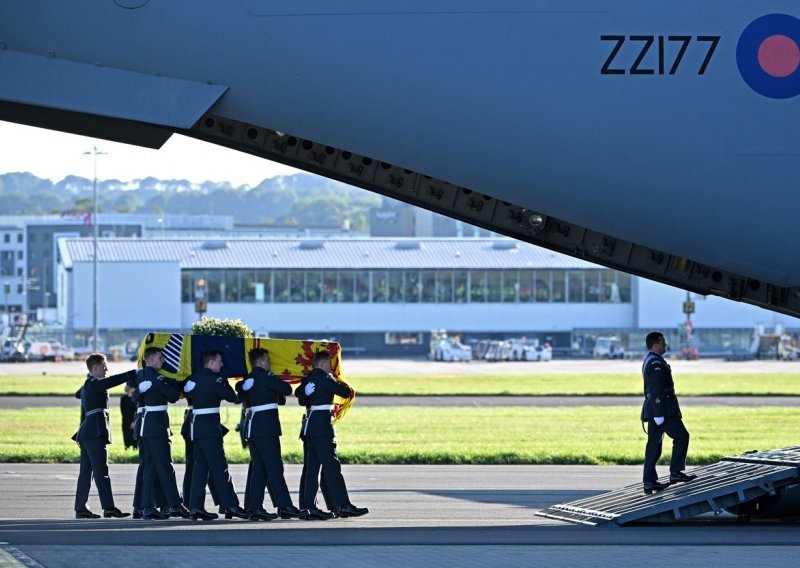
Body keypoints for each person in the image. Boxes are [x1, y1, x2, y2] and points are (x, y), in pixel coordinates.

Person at [296, 350, 368, 519]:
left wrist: (305, 392)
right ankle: (343, 505)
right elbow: (345, 392)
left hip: (310, 428)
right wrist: (336, 379)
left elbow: (300, 397)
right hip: (322, 428)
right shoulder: (325, 378)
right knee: (332, 467)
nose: (331, 367)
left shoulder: (308, 379)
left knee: (312, 470)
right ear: (322, 364)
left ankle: (309, 507)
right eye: (329, 363)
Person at [239, 348, 304, 521]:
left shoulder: (248, 380)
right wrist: (274, 379)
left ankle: (254, 507)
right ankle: (285, 506)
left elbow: (241, 394)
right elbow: (286, 389)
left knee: (259, 468)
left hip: (253, 428)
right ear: (260, 362)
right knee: (274, 467)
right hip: (266, 429)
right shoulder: (265, 377)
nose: (270, 363)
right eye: (267, 360)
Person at [185, 350, 250, 521]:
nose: (222, 365)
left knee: (200, 468)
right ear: (212, 362)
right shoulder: (217, 380)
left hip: (197, 428)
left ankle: (195, 507)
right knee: (220, 467)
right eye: (220, 362)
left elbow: (187, 392)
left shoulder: (194, 379)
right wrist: (231, 383)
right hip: (210, 429)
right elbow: (232, 397)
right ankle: (231, 505)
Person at [73, 353, 138, 519]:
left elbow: (78, 396)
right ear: (95, 368)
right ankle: (108, 507)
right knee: (102, 471)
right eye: (103, 366)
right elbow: (112, 381)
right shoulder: (94, 384)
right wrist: (132, 373)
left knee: (86, 472)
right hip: (95, 432)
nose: (106, 369)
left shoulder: (88, 385)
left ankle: (81, 508)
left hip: (88, 433)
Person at [137, 346, 191, 520]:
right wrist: (179, 381)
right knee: (165, 466)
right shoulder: (156, 376)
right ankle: (174, 505)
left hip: (146, 427)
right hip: (156, 427)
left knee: (150, 467)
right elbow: (172, 395)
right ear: (151, 359)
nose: (164, 361)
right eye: (160, 358)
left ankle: (147, 507)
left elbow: (134, 396)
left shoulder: (140, 375)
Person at [641, 331, 697, 494]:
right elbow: (657, 390)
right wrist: (659, 414)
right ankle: (675, 472)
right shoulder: (656, 364)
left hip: (656, 410)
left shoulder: (651, 360)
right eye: (663, 342)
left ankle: (650, 482)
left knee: (654, 446)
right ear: (655, 344)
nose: (665, 344)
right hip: (663, 410)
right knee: (681, 436)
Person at [120, 382, 138, 450]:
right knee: (126, 439)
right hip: (126, 421)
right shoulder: (123, 398)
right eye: (131, 387)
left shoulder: (137, 399)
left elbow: (137, 411)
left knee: (135, 441)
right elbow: (123, 411)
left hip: (135, 421)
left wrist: (134, 422)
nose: (133, 389)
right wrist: (128, 422)